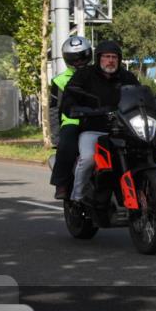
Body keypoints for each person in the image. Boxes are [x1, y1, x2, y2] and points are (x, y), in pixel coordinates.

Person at [60, 41, 140, 204]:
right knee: (89, 158)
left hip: (123, 130)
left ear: (119, 59)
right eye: (106, 57)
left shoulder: (127, 77)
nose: (110, 61)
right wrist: (77, 109)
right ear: (98, 59)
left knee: (144, 153)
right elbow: (69, 97)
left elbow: (140, 95)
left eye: (114, 57)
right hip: (93, 129)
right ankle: (77, 196)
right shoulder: (84, 75)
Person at [49, 36, 92, 199]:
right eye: (74, 58)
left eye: (83, 56)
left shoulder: (99, 76)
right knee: (66, 143)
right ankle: (62, 183)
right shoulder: (59, 80)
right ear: (67, 59)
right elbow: (54, 110)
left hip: (99, 121)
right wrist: (55, 136)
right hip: (73, 121)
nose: (79, 61)